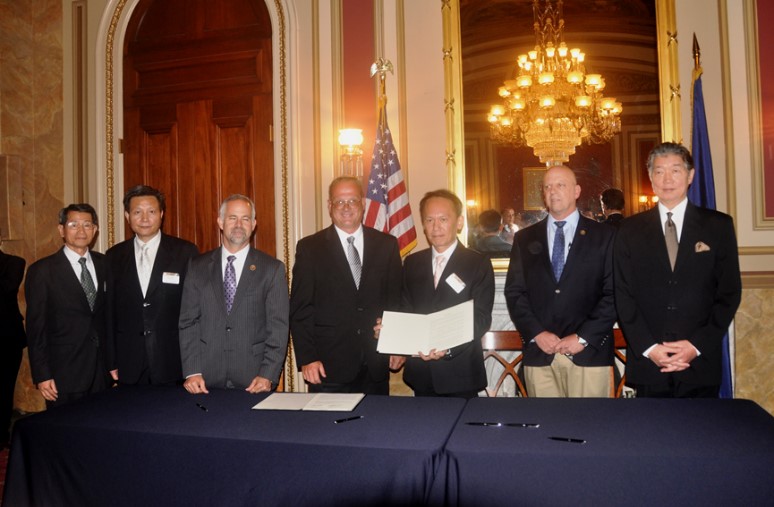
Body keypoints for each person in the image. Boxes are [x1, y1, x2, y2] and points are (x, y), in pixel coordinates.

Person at [614, 142, 742, 398]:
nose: (667, 179)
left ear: (690, 175)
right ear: (650, 177)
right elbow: (622, 295)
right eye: (659, 171)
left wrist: (696, 346)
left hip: (699, 362)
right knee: (652, 436)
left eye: (675, 170)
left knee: (701, 435)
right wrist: (650, 348)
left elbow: (728, 293)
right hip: (649, 364)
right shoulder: (629, 230)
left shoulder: (718, 226)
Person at [504, 166, 617, 397]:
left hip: (589, 354)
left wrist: (583, 337)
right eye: (547, 187)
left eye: (560, 185)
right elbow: (515, 292)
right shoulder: (525, 238)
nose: (553, 191)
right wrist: (537, 333)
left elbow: (614, 292)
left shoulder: (605, 236)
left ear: (576, 191)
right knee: (544, 429)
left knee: (592, 428)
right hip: (540, 354)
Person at [290, 176, 403, 394]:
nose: (346, 207)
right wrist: (308, 358)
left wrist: (396, 344)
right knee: (329, 428)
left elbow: (395, 300)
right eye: (339, 201)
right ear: (329, 206)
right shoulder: (310, 248)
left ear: (363, 203)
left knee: (375, 427)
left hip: (376, 362)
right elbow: (300, 309)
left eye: (352, 200)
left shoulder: (387, 245)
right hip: (327, 366)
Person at [179, 194, 288, 394]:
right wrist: (192, 371)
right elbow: (188, 322)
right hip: (204, 380)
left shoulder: (272, 269)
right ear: (220, 222)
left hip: (254, 381)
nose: (239, 224)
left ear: (253, 224)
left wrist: (268, 374)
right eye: (232, 218)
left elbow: (278, 328)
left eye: (245, 218)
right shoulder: (197, 267)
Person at [401, 189, 494, 398]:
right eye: (429, 220)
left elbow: (480, 318)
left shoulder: (478, 263)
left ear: (459, 222)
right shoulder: (412, 263)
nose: (436, 227)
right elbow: (406, 309)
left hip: (460, 374)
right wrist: (393, 329)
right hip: (421, 374)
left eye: (443, 219)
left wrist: (448, 347)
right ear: (423, 225)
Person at [106, 185, 199, 386]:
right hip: (128, 361)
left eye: (152, 212)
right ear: (127, 216)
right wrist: (111, 360)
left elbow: (195, 310)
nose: (145, 218)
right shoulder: (113, 257)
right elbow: (109, 313)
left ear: (162, 214)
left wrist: (195, 364)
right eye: (137, 212)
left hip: (173, 360)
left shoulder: (185, 253)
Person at [25, 204, 110, 407]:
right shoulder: (42, 271)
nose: (81, 231)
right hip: (63, 373)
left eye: (87, 225)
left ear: (95, 230)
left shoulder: (106, 264)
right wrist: (42, 375)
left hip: (101, 372)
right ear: (61, 230)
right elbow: (36, 328)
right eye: (73, 224)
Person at [0, 230, 25, 446]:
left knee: (5, 388)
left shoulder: (14, 262)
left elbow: (6, 290)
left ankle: (2, 434)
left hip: (7, 339)